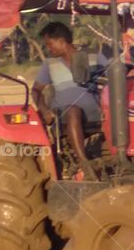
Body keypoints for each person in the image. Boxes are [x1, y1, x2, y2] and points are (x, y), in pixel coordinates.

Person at [32, 22, 107, 178]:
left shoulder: (93, 56)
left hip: (95, 111)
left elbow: (111, 79)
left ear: (61, 41)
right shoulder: (49, 64)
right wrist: (44, 110)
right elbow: (36, 90)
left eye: (49, 44)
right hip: (63, 114)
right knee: (73, 110)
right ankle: (84, 163)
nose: (48, 49)